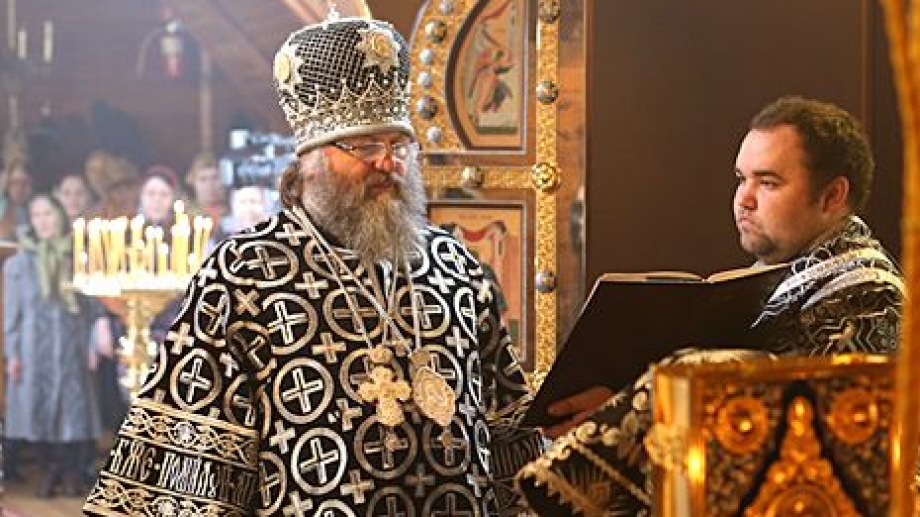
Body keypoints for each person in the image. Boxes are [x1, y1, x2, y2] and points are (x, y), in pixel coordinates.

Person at [84, 15, 542, 516]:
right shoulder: (244, 273)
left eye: (399, 146)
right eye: (366, 146)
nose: (388, 163)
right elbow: (192, 466)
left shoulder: (452, 263)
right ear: (312, 160)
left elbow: (509, 436)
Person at [515, 96, 905, 516]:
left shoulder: (871, 297)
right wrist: (617, 408)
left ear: (832, 196)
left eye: (768, 183)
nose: (744, 199)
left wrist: (629, 422)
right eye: (741, 179)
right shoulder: (786, 275)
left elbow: (806, 447)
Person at [4, 194, 109, 497]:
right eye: (36, 215)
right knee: (37, 411)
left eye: (48, 213)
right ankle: (49, 470)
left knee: (73, 411)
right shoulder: (18, 264)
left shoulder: (78, 257)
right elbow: (13, 314)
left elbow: (93, 304)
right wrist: (12, 353)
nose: (43, 221)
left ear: (60, 216)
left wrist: (93, 342)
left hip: (72, 344)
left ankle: (71, 471)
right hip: (32, 348)